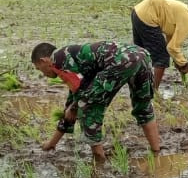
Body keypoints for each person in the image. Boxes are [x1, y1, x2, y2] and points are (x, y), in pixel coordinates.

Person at [33, 40, 162, 158]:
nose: (43, 74)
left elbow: (80, 96)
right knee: (143, 106)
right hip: (141, 55)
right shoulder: (72, 57)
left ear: (44, 61)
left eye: (39, 69)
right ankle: (156, 152)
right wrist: (52, 143)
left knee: (88, 105)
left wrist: (74, 107)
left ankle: (99, 159)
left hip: (120, 61)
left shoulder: (58, 60)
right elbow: (73, 98)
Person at [131, 0, 188, 90]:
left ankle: (137, 87)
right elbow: (172, 47)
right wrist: (184, 64)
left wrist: (177, 61)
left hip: (137, 11)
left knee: (141, 54)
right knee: (162, 58)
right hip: (148, 16)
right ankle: (153, 92)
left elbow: (171, 42)